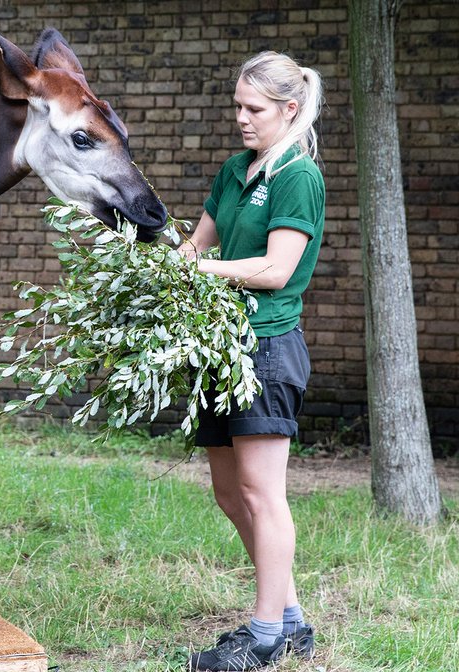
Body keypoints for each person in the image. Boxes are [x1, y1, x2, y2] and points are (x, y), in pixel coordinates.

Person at [176, 51, 325, 671]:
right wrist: (171, 263)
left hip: (265, 347)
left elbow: (275, 270)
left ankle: (263, 636)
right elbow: (196, 243)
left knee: (263, 495)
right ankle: (289, 621)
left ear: (289, 110)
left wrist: (199, 268)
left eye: (254, 109)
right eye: (238, 105)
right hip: (217, 345)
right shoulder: (236, 169)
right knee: (229, 492)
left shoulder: (298, 176)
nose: (241, 118)